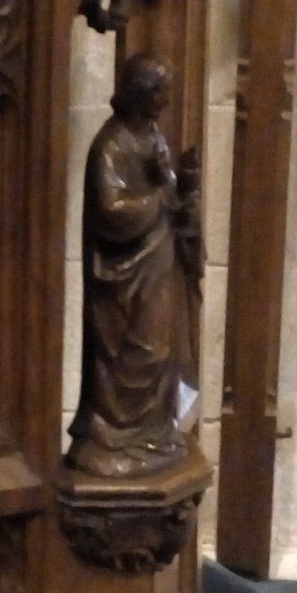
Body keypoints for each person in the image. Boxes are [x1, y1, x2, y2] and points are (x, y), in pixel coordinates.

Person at [67, 54, 200, 480]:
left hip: (159, 266)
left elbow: (167, 190)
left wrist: (183, 186)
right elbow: (110, 211)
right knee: (135, 350)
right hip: (125, 276)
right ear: (138, 92)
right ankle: (113, 435)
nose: (164, 100)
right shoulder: (111, 145)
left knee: (162, 350)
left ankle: (153, 434)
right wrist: (160, 199)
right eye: (158, 90)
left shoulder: (152, 136)